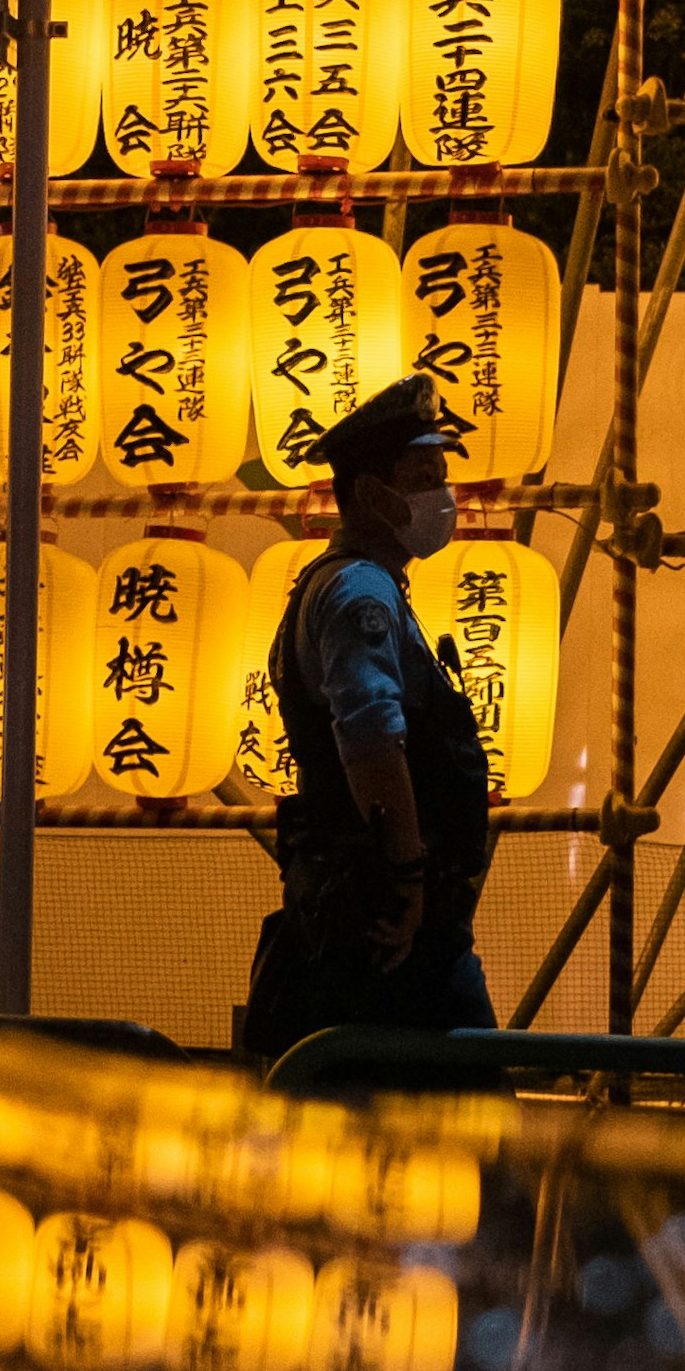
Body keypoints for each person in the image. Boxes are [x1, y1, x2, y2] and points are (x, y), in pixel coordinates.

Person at [234, 372, 496, 1076]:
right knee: (466, 1119)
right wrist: (406, 878)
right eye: (423, 477)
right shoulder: (359, 593)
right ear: (374, 494)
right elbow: (373, 740)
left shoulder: (368, 586)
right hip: (386, 925)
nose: (442, 496)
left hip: (385, 915)